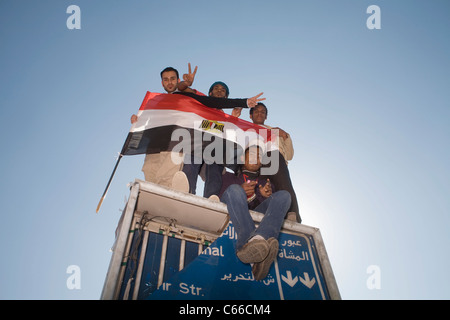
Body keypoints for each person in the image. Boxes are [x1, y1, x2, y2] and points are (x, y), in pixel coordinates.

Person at [219, 145, 291, 280]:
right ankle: (255, 256)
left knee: (284, 196)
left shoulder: (266, 184)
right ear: (242, 158)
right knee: (235, 190)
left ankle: (258, 240)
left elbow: (272, 212)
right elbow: (219, 198)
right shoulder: (228, 176)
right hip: (232, 209)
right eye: (252, 154)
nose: (255, 158)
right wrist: (241, 191)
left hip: (256, 216)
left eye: (259, 156)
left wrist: (263, 196)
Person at [249, 103, 301, 222]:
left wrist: (286, 137)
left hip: (274, 157)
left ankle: (292, 214)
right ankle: (257, 216)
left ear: (266, 117)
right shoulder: (244, 130)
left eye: (263, 112)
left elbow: (289, 155)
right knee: (259, 189)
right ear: (250, 115)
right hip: (255, 161)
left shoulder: (275, 132)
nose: (259, 113)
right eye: (256, 111)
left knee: (283, 185)